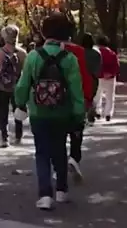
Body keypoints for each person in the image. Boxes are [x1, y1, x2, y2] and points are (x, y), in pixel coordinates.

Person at [14, 13, 84, 211]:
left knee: (42, 153)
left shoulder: (34, 57)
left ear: (44, 33)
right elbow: (76, 90)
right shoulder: (70, 59)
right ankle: (62, 190)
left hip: (39, 112)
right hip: (63, 113)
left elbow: (22, 85)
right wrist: (79, 115)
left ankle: (45, 195)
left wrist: (20, 104)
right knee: (60, 150)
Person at [58, 24, 96, 181]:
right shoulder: (79, 51)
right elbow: (85, 77)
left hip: (54, 98)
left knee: (58, 134)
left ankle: (58, 166)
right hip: (76, 97)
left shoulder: (44, 51)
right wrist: (88, 97)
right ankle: (74, 158)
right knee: (76, 131)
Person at [0, 23, 27, 145]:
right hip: (18, 86)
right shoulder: (22, 53)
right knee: (18, 110)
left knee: (3, 113)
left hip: (3, 86)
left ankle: (4, 138)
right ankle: (18, 135)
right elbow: (26, 71)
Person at [77, 34, 102, 124]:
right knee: (90, 97)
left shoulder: (78, 52)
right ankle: (90, 111)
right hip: (92, 78)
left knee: (81, 96)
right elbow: (98, 68)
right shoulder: (96, 54)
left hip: (80, 77)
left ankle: (83, 114)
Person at [94, 36, 120, 120]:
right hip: (110, 77)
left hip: (99, 77)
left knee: (98, 95)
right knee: (110, 96)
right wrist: (111, 73)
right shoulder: (112, 53)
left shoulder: (97, 52)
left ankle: (98, 111)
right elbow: (116, 66)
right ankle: (108, 113)